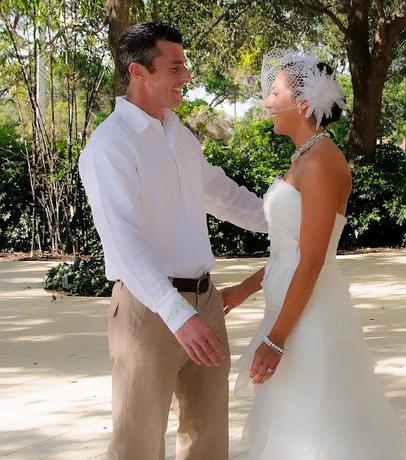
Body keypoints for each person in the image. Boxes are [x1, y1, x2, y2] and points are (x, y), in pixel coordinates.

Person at [78, 22, 267, 460]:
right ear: (138, 72)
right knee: (137, 446)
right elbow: (124, 243)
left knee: (207, 441)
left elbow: (223, 195)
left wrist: (291, 218)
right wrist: (178, 314)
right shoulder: (110, 145)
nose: (186, 76)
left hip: (206, 301)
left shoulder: (178, 134)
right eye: (175, 66)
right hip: (150, 310)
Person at [221, 49, 406, 460]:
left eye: (274, 93)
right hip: (289, 309)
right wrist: (242, 291)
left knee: (316, 430)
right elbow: (288, 252)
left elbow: (312, 260)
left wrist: (275, 340)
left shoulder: (322, 162)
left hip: (309, 319)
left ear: (303, 103)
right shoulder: (306, 156)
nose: (266, 102)